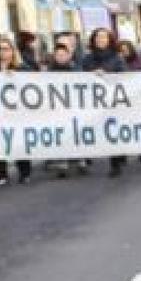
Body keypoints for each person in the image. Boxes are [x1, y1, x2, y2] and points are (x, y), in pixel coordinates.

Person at [0, 39, 35, 185]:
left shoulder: (21, 67)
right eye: (0, 49)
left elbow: (32, 85)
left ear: (13, 50)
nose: (3, 52)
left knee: (18, 141)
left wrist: (16, 77)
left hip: (16, 113)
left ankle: (25, 173)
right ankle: (1, 175)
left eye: (6, 49)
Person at [81, 28, 129, 177]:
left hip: (112, 100)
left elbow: (124, 75)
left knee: (112, 130)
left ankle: (115, 163)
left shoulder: (116, 57)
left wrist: (107, 74)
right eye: (98, 37)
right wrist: (92, 75)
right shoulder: (87, 58)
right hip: (94, 100)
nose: (100, 40)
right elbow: (79, 76)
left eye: (104, 37)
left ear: (109, 40)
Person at [46, 42, 85, 179]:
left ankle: (81, 160)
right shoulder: (49, 72)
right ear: (54, 56)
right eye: (58, 55)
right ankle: (63, 164)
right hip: (58, 109)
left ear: (69, 55)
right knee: (62, 135)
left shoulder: (76, 69)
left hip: (74, 108)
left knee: (76, 134)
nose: (61, 57)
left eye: (63, 55)